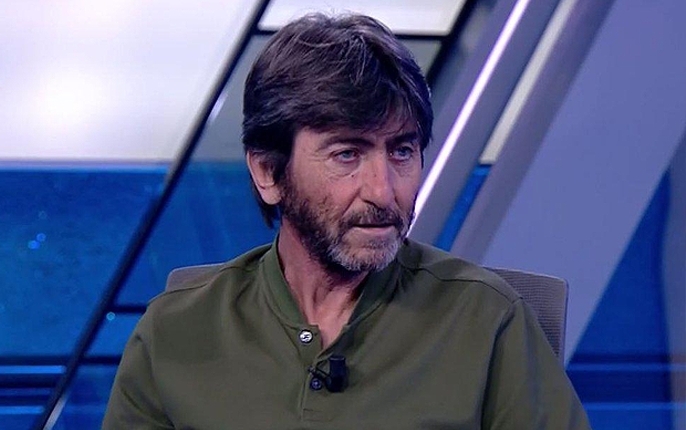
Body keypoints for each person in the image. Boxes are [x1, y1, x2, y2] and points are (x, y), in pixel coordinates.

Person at [102, 13, 590, 429]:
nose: (382, 191)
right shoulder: (176, 331)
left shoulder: (486, 322)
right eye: (347, 154)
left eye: (402, 152)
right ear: (268, 172)